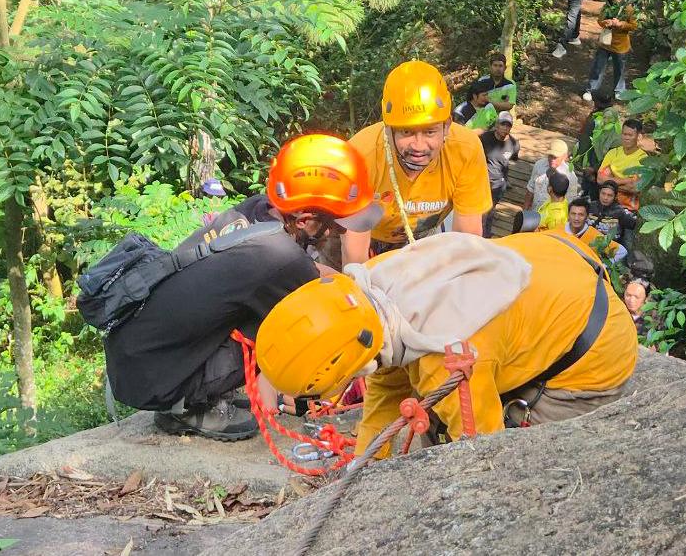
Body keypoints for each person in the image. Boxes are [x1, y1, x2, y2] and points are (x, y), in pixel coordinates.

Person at [104, 134, 381, 441]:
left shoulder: (257, 216)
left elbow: (315, 273)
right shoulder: (281, 259)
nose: (336, 231)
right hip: (151, 377)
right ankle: (183, 407)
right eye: (335, 223)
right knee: (299, 327)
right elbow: (326, 299)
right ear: (304, 220)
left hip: (137, 353)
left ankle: (199, 392)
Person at [256, 230, 639, 452]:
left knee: (441, 433)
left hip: (596, 349)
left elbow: (481, 454)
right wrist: (366, 462)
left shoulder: (448, 359)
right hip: (559, 264)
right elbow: (388, 389)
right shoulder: (372, 287)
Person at [342, 60, 492, 264]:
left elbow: (467, 237)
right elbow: (355, 250)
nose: (419, 146)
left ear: (447, 126)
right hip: (367, 236)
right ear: (388, 129)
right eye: (406, 132)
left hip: (423, 237)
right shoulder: (361, 155)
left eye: (430, 131)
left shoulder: (465, 149)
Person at [583, 0, 637, 102]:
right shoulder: (607, 7)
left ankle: (619, 91)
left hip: (620, 45)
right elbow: (600, 20)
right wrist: (605, 23)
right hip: (605, 43)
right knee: (598, 67)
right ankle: (591, 90)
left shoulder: (628, 9)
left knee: (620, 70)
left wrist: (621, 24)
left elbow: (633, 26)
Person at [480, 111, 520, 237]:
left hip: (499, 183)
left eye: (508, 126)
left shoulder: (514, 144)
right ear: (496, 125)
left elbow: (513, 158)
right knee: (481, 209)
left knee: (489, 210)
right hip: (482, 180)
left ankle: (485, 235)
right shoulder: (485, 138)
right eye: (503, 124)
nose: (505, 128)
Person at [597, 118, 646, 211]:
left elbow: (635, 187)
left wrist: (610, 182)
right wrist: (626, 180)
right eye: (624, 134)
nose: (626, 138)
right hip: (605, 205)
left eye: (630, 135)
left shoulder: (643, 158)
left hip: (628, 208)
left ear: (639, 137)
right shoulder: (613, 153)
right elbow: (600, 179)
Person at [576, 96, 618, 201]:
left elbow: (584, 142)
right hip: (595, 166)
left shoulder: (595, 122)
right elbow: (585, 142)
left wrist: (592, 168)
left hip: (601, 169)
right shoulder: (602, 126)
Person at [522, 139, 579, 212]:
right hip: (535, 212)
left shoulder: (570, 176)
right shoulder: (539, 165)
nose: (552, 160)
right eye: (550, 156)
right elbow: (530, 189)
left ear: (565, 157)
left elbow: (571, 202)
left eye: (556, 157)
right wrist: (524, 211)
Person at [566, 197, 627, 264]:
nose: (576, 218)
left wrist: (602, 267)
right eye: (573, 214)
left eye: (581, 215)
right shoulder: (559, 231)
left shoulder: (594, 236)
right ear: (568, 215)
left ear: (587, 217)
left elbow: (622, 252)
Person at [588, 180, 638, 248]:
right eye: (603, 193)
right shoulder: (590, 206)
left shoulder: (619, 212)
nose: (605, 198)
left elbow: (633, 225)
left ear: (615, 197)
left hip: (612, 247)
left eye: (610, 195)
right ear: (599, 193)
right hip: (589, 244)